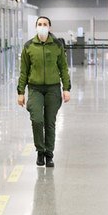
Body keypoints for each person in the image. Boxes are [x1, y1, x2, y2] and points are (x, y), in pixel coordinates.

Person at [17, 16, 71, 168]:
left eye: (45, 24)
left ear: (50, 27)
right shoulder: (29, 46)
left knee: (50, 122)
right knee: (37, 120)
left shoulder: (57, 45)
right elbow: (24, 71)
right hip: (35, 88)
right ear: (36, 27)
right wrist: (20, 92)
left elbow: (63, 68)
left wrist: (66, 88)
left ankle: (49, 154)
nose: (42, 26)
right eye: (39, 24)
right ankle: (40, 150)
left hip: (53, 88)